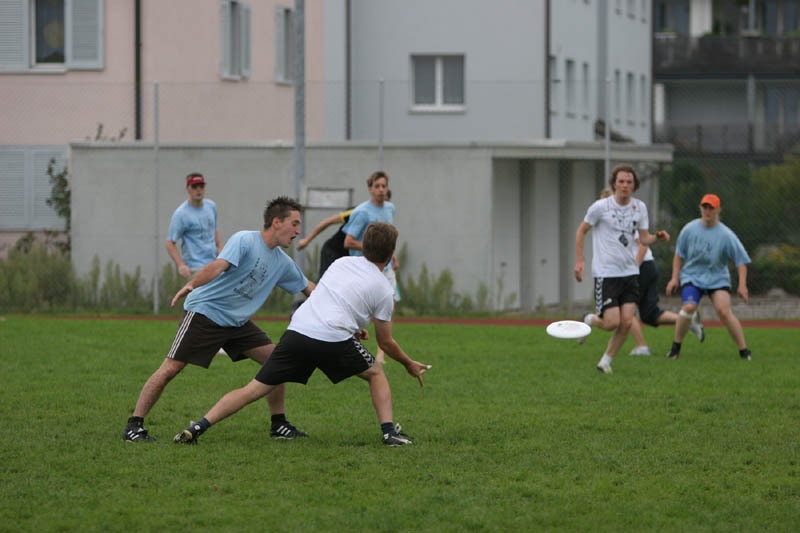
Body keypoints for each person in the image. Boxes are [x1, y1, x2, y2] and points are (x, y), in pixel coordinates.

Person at [173, 222, 431, 447]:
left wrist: (352, 327)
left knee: (252, 389)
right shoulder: (384, 289)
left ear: (364, 246)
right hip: (332, 338)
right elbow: (386, 341)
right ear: (391, 253)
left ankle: (198, 426)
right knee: (375, 373)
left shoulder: (341, 263)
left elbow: (329, 300)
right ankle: (389, 433)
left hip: (298, 330)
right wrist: (408, 363)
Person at [122, 196, 316, 442]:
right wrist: (192, 284)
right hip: (206, 312)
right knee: (171, 368)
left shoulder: (283, 263)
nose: (298, 231)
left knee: (276, 361)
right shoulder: (245, 240)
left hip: (237, 323)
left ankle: (278, 424)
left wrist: (339, 312)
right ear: (277, 222)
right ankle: (134, 426)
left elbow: (310, 289)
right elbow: (217, 266)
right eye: (295, 223)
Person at [582, 189, 704, 356]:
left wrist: (634, 268)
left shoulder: (622, 219)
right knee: (649, 314)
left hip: (639, 268)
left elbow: (642, 244)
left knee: (625, 310)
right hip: (648, 266)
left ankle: (641, 346)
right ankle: (685, 319)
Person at [574, 164, 670, 374]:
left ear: (634, 185)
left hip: (630, 273)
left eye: (629, 182)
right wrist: (580, 261)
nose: (625, 185)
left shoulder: (639, 207)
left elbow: (643, 238)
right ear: (614, 184)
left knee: (626, 322)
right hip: (607, 274)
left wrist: (656, 237)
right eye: (621, 181)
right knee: (611, 323)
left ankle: (605, 362)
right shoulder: (600, 207)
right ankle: (589, 319)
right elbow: (581, 231)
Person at [665, 193, 753, 361]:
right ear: (700, 208)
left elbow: (741, 261)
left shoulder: (726, 235)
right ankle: (675, 349)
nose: (707, 211)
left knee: (724, 311)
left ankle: (744, 351)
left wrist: (742, 285)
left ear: (718, 210)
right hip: (692, 276)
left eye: (711, 208)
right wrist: (674, 278)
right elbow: (679, 255)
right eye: (705, 207)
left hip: (717, 278)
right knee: (688, 307)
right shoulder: (689, 229)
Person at [342, 174, 400, 363]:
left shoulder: (390, 208)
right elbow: (348, 241)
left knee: (389, 305)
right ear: (370, 188)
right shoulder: (362, 212)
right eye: (377, 186)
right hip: (365, 267)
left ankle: (382, 351)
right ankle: (349, 343)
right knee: (359, 308)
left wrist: (392, 255)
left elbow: (387, 237)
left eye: (384, 186)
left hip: (385, 265)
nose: (381, 189)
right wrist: (374, 248)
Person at [166, 172, 222, 279]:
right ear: (188, 189)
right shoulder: (181, 214)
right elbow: (170, 243)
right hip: (196, 268)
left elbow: (214, 228)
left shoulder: (211, 206)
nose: (198, 190)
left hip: (214, 264)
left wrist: (220, 247)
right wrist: (181, 265)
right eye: (195, 186)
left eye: (201, 186)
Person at [296, 206, 355, 280]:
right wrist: (307, 240)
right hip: (333, 251)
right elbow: (328, 221)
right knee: (327, 280)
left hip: (349, 256)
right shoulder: (357, 212)